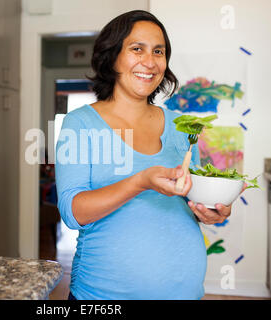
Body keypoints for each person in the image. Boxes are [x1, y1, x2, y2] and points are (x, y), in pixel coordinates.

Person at [55, 10, 246, 300]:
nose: (150, 61)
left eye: (159, 51)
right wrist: (139, 182)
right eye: (136, 49)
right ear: (113, 56)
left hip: (184, 291)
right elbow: (72, 211)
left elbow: (192, 196)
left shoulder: (181, 125)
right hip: (104, 294)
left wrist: (212, 210)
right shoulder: (80, 123)